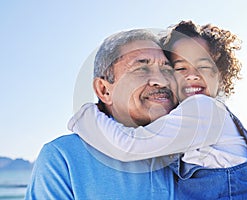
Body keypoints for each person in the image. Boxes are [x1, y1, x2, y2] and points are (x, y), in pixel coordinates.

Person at [68, 21, 247, 199]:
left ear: (221, 76)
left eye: (204, 67)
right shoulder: (189, 122)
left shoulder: (204, 109)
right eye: (180, 68)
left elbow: (130, 145)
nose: (192, 76)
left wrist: (87, 116)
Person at [25, 29, 180, 199]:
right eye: (141, 69)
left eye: (167, 70)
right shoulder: (63, 158)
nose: (162, 80)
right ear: (104, 90)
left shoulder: (196, 148)